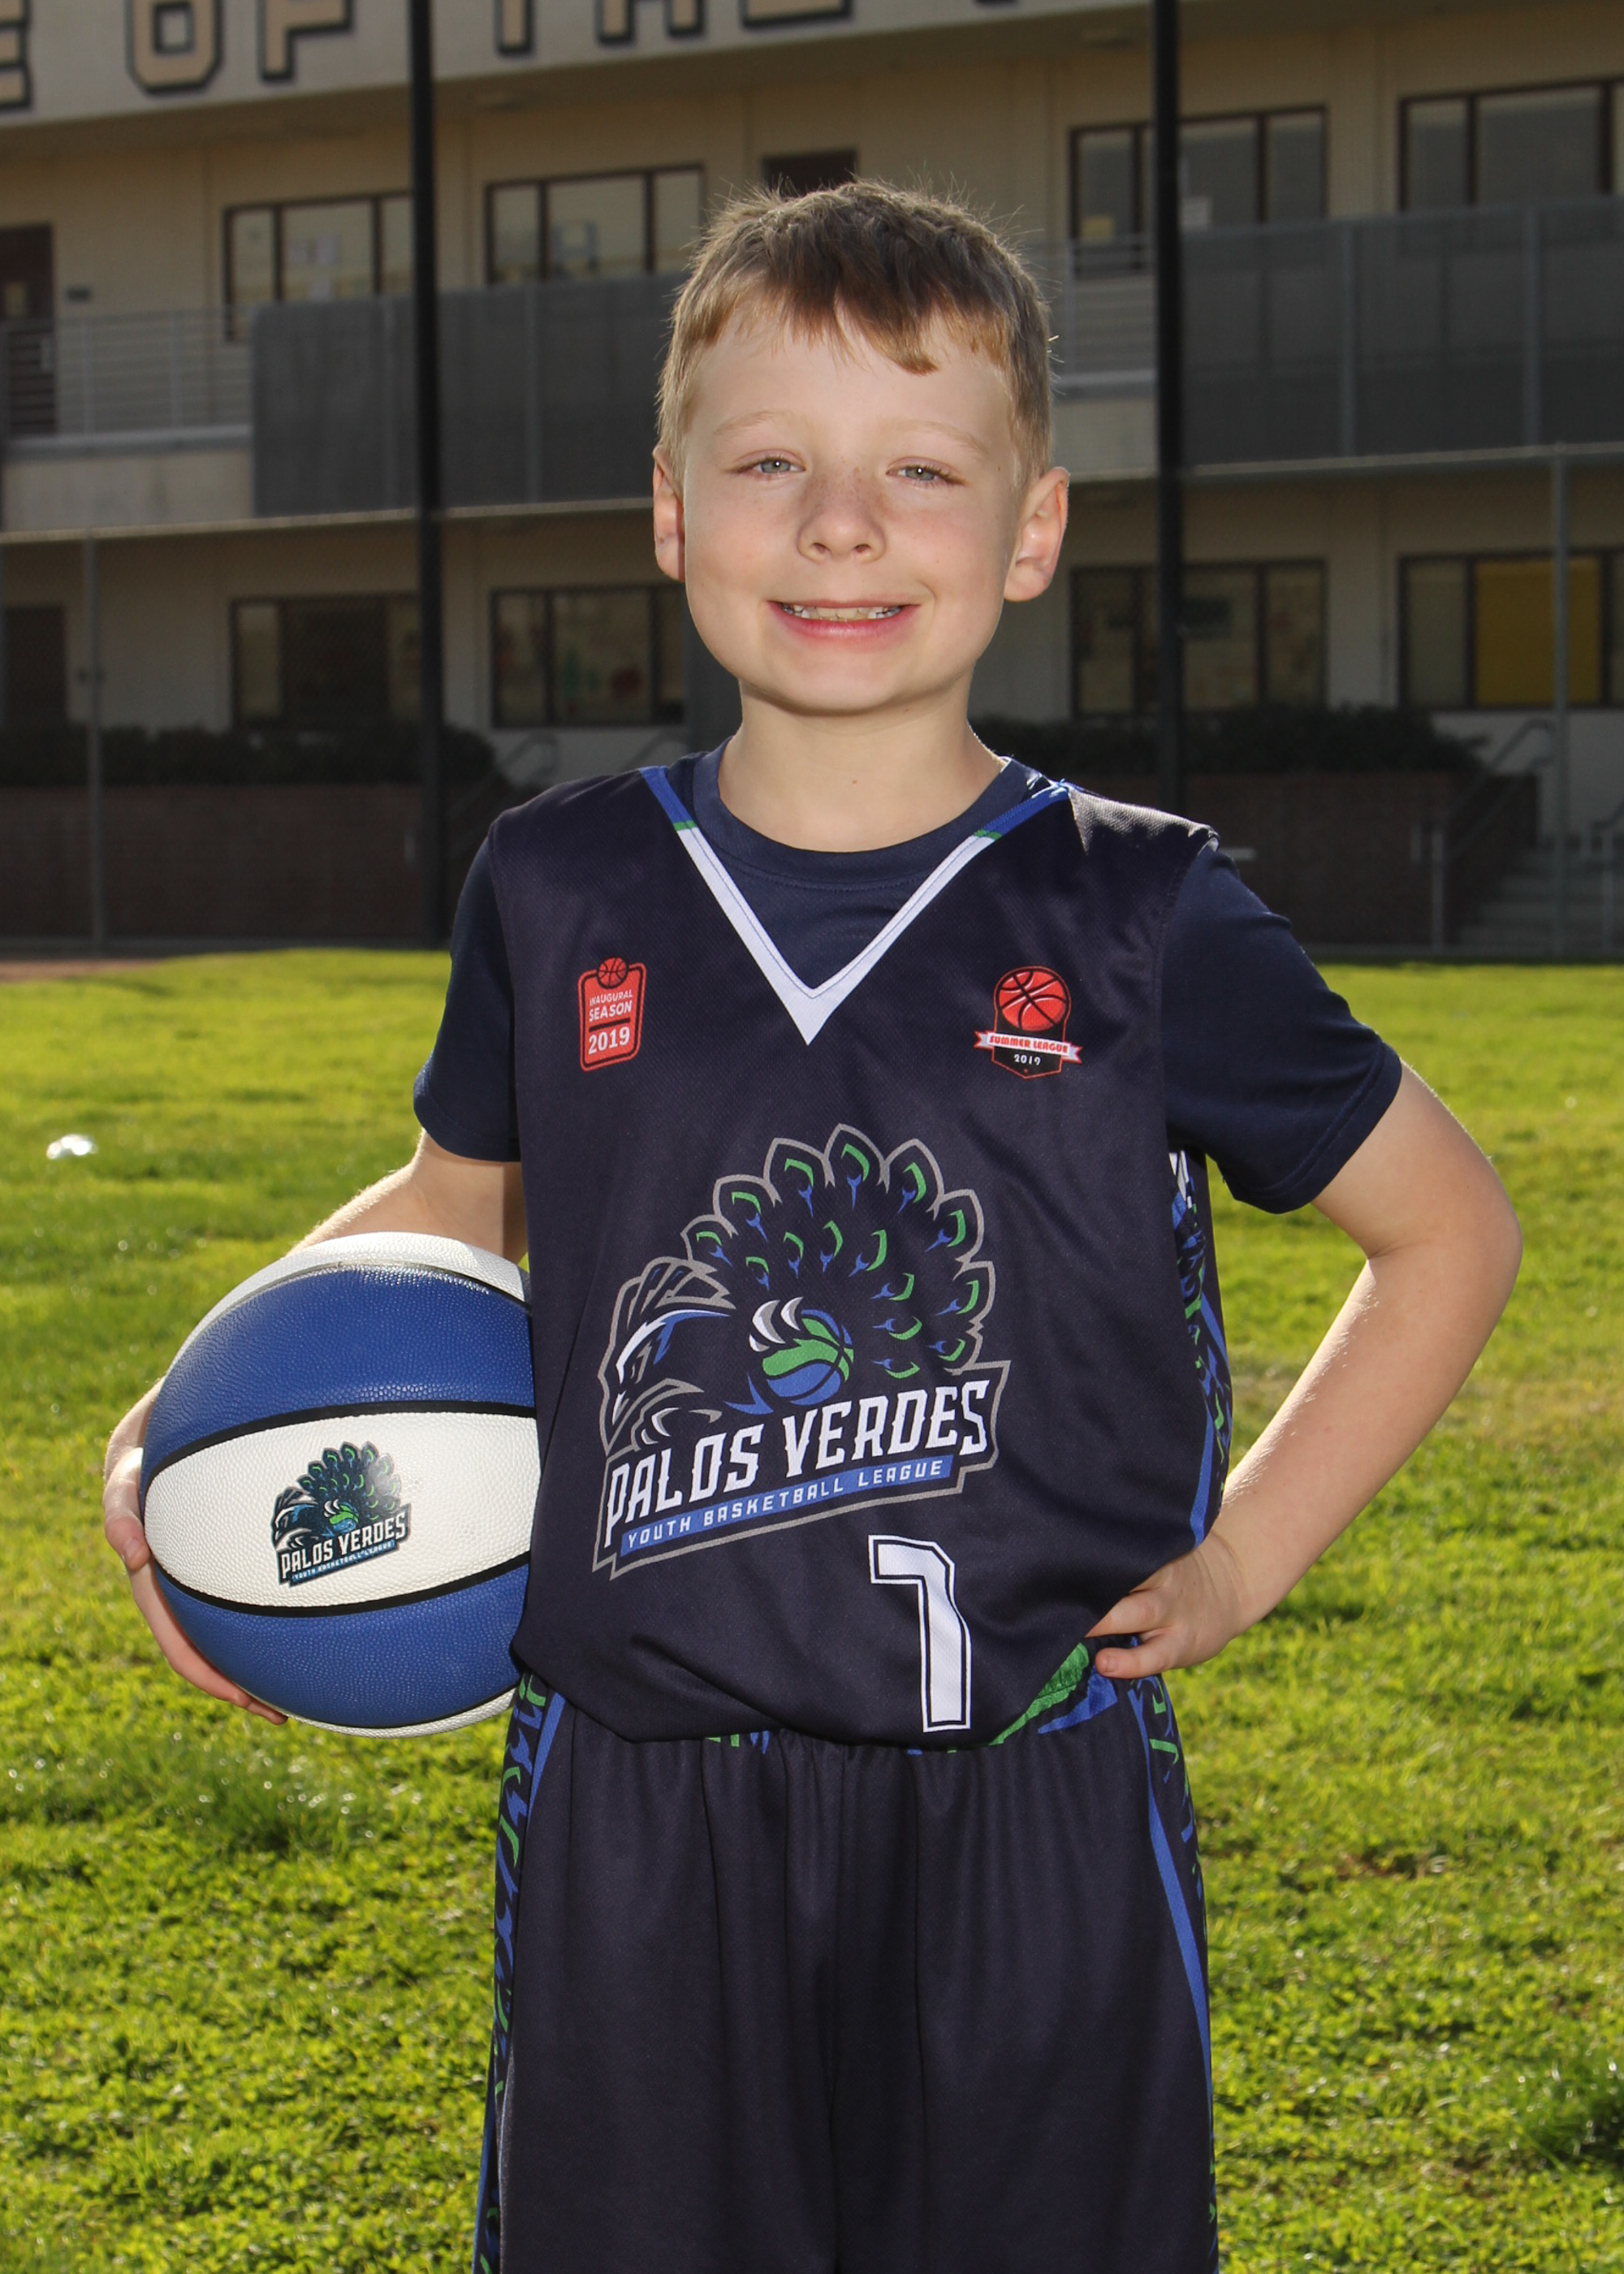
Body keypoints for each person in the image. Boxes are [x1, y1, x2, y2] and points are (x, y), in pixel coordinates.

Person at [102, 183, 1521, 2274]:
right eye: (770, 462)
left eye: (920, 470)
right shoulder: (559, 890)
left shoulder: (1141, 911)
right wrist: (195, 1415)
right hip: (639, 1808)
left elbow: (1447, 1229)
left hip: (1025, 1787)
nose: (842, 526)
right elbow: (453, 1210)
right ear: (671, 513)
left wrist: (1241, 1557)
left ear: (1031, 530)